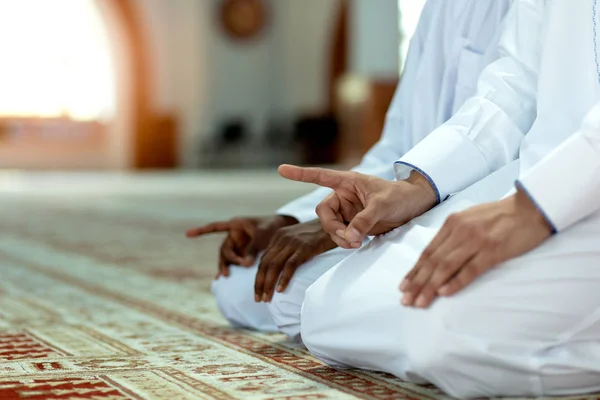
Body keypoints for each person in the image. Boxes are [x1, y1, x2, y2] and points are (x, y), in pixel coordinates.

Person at [278, 0, 600, 397]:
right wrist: (416, 189)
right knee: (321, 309)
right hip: (532, 176)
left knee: (437, 333)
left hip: (580, 187)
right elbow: (513, 88)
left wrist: (538, 206)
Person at [186, 0, 511, 340]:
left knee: (294, 295)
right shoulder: (436, 10)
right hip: (400, 206)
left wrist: (357, 223)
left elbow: (511, 137)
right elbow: (395, 150)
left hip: (477, 209)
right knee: (237, 285)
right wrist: (293, 218)